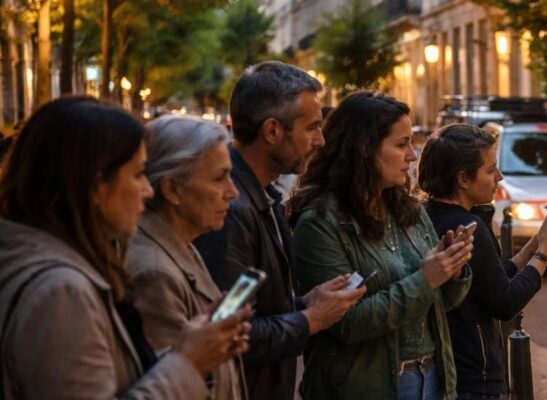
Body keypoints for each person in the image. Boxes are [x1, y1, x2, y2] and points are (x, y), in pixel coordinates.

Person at [0, 96, 251, 399]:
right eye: (137, 174)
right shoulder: (61, 291)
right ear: (95, 184)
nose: (148, 190)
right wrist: (188, 362)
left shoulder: (59, 267)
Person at [193, 61, 365, 400]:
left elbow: (249, 305)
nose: (321, 140)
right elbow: (229, 330)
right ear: (272, 131)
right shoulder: (231, 210)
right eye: (313, 127)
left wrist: (303, 303)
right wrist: (309, 319)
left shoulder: (261, 196)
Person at [288, 91, 473, 400]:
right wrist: (427, 278)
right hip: (367, 386)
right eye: (401, 145)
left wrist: (452, 271)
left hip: (432, 377)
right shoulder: (320, 223)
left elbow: (438, 304)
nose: (413, 156)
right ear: (363, 149)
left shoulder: (409, 211)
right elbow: (346, 323)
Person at [419, 124, 547, 400]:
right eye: (490, 170)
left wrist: (536, 242)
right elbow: (505, 302)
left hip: (451, 369)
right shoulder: (466, 225)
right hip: (473, 376)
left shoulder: (427, 215)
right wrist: (545, 254)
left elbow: (491, 280)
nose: (499, 177)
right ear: (463, 179)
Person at [128, 115, 250, 399]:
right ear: (172, 189)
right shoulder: (153, 272)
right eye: (220, 177)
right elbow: (175, 386)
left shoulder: (179, 241)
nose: (232, 192)